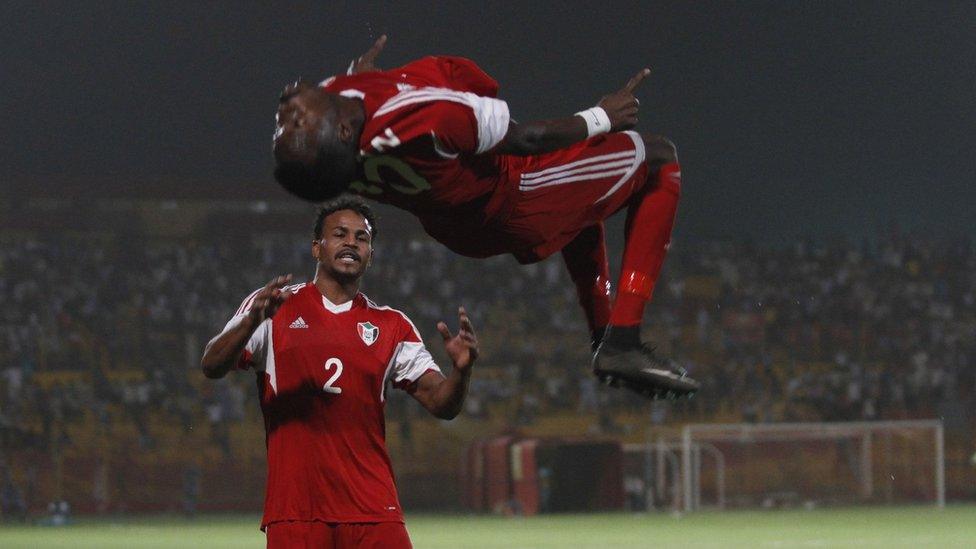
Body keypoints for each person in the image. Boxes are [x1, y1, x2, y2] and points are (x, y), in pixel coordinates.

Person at [272, 36, 697, 399]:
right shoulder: (425, 118)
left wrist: (361, 74)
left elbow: (342, 117)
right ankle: (622, 339)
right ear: (343, 130)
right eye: (294, 123)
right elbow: (525, 139)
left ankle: (604, 337)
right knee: (658, 159)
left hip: (457, 225)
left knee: (582, 206)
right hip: (516, 192)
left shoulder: (336, 138)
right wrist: (603, 116)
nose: (284, 114)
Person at [201, 196, 478, 548]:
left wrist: (461, 372)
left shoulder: (392, 325)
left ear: (371, 255)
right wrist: (251, 321)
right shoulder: (274, 305)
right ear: (317, 248)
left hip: (373, 507)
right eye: (340, 234)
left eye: (362, 238)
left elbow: (442, 403)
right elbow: (211, 364)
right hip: (298, 509)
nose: (351, 242)